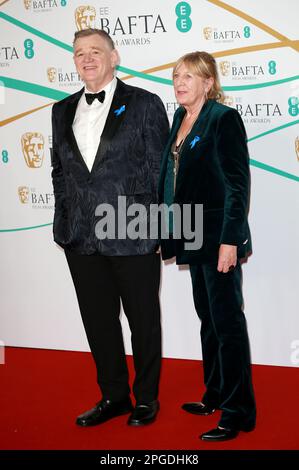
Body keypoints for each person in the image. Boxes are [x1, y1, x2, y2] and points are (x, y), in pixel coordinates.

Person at [51, 28, 169, 427]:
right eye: (79, 53)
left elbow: (161, 171)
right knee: (98, 322)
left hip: (133, 230)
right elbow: (59, 172)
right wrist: (64, 219)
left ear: (114, 56)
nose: (87, 59)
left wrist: (160, 229)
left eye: (95, 51)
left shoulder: (145, 104)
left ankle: (147, 398)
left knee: (143, 319)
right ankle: (114, 396)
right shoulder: (60, 110)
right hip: (80, 237)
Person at [158, 51, 256, 441]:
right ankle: (214, 394)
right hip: (192, 235)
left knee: (228, 323)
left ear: (208, 83)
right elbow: (173, 180)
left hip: (218, 237)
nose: (180, 83)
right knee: (209, 320)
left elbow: (237, 184)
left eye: (189, 77)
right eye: (176, 76)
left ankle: (238, 412)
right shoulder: (180, 118)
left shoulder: (223, 119)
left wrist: (230, 240)